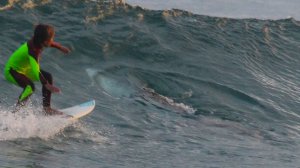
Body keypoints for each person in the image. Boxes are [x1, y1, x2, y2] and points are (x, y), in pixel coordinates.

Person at [3, 24, 71, 115]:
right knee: (30, 87)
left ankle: (47, 108)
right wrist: (46, 84)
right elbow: (36, 69)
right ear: (44, 41)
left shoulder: (38, 41)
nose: (52, 40)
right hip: (12, 71)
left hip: (24, 69)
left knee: (47, 76)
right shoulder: (33, 50)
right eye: (51, 38)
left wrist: (60, 47)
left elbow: (50, 43)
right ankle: (15, 113)